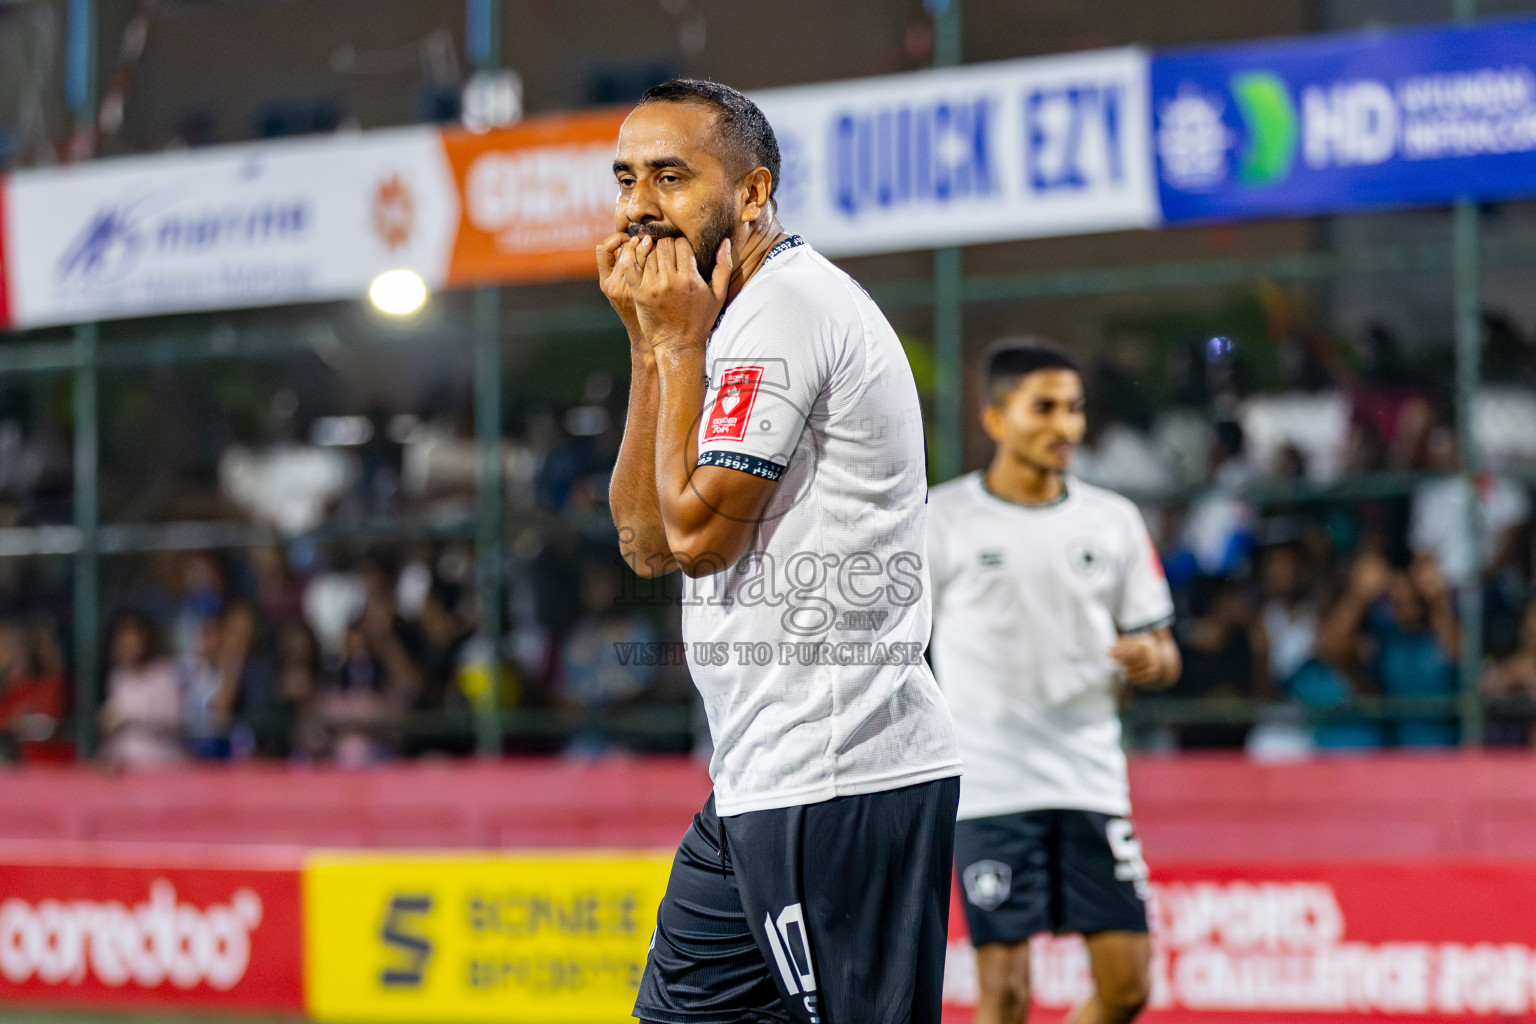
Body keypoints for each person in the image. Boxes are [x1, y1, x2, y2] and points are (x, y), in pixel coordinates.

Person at [601, 79, 961, 1024]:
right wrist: (651, 349)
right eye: (627, 178)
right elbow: (644, 543)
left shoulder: (786, 310)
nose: (642, 205)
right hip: (758, 778)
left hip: (842, 777)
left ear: (753, 194)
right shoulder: (724, 323)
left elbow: (700, 542)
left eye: (672, 177)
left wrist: (679, 346)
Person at [927, 342, 1181, 1024]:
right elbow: (897, 647)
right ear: (995, 418)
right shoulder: (941, 519)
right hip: (989, 787)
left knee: (1127, 987)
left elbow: (1164, 647)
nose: (1065, 426)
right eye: (1044, 408)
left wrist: (1151, 660)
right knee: (1005, 994)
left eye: (1073, 410)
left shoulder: (1113, 519)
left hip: (1089, 780)